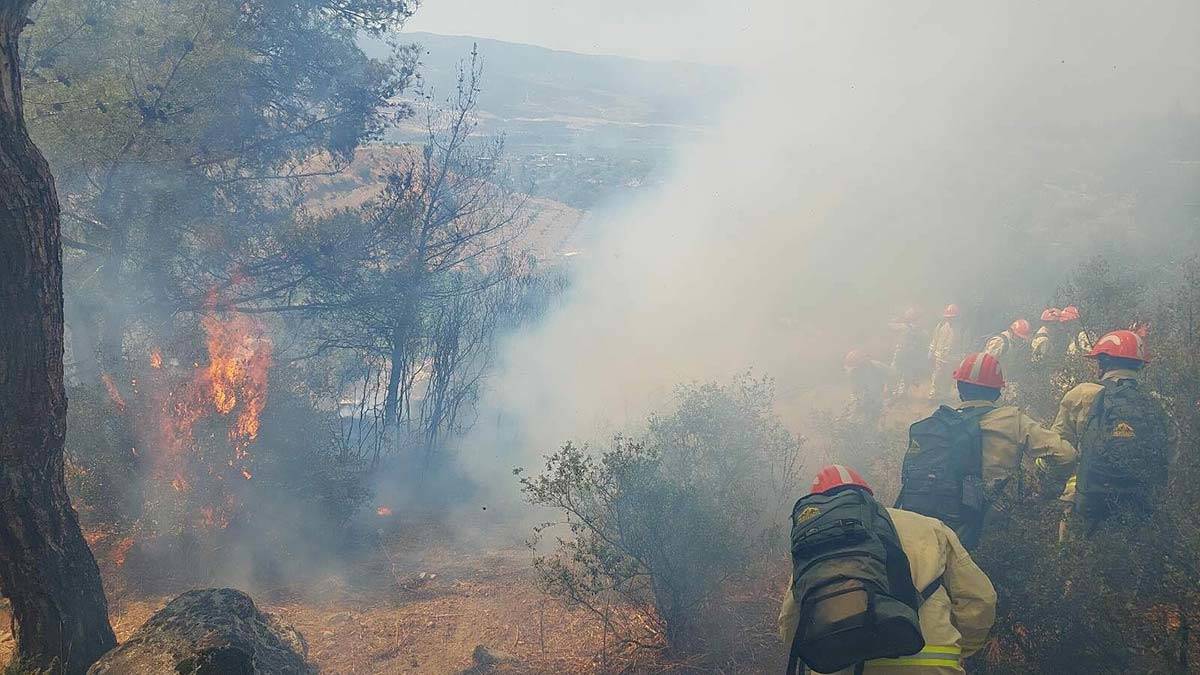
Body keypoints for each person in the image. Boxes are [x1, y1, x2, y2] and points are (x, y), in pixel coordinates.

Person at [780, 465, 997, 674]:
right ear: (867, 494)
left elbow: (790, 623)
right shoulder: (930, 527)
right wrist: (960, 648)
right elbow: (980, 599)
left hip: (841, 666)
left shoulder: (814, 545)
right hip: (929, 664)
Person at [896, 352, 1077, 548]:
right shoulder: (1013, 420)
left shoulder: (938, 423)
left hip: (926, 521)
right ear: (998, 393)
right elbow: (1066, 455)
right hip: (988, 527)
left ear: (959, 389)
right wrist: (1046, 488)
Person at [1037, 329, 1171, 538]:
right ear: (1140, 365)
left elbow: (1060, 450)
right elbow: (1170, 452)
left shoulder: (1082, 394)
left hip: (1090, 499)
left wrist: (1047, 480)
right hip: (1141, 500)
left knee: (1075, 558)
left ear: (1103, 362)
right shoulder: (1157, 402)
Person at [845, 350, 891, 423]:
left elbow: (892, 375)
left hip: (877, 397)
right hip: (862, 398)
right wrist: (856, 401)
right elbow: (854, 389)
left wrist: (888, 389)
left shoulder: (877, 366)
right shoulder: (853, 373)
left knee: (873, 417)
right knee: (854, 418)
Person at [891, 308, 928, 397]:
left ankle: (899, 392)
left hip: (907, 354)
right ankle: (898, 392)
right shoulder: (906, 327)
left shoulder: (906, 327)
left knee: (902, 373)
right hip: (904, 353)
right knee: (899, 372)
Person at [928, 304, 959, 402]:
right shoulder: (941, 326)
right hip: (939, 356)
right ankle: (934, 393)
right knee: (937, 375)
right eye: (949, 317)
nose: (950, 319)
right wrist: (931, 351)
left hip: (952, 358)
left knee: (949, 377)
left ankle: (945, 394)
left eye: (953, 317)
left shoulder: (960, 329)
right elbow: (935, 339)